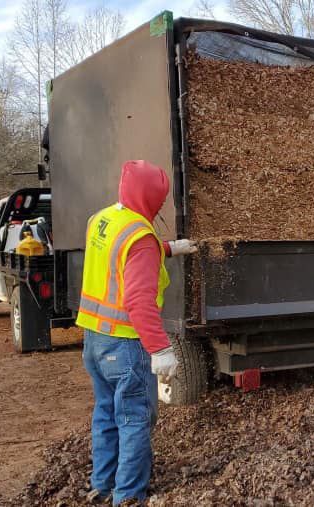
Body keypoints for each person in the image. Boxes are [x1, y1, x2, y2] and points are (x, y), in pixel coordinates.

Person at [75, 160, 198, 504]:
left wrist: (172, 247)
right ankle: (128, 496)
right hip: (125, 344)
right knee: (134, 419)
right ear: (150, 198)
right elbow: (139, 300)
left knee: (106, 413)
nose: (160, 206)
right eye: (159, 200)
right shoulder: (141, 238)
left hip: (94, 339)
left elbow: (121, 253)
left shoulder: (102, 219)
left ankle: (102, 485)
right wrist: (160, 349)